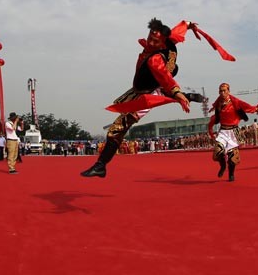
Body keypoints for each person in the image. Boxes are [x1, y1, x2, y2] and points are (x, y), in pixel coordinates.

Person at [81, 18, 229, 178]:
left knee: (116, 129)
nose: (151, 42)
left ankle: (101, 165)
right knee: (119, 126)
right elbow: (179, 29)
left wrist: (177, 93)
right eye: (150, 38)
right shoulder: (169, 40)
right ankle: (187, 95)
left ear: (162, 42)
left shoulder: (155, 59)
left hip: (148, 94)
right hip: (147, 87)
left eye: (155, 41)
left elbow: (165, 77)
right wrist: (189, 25)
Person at [206, 83, 258, 181]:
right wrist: (210, 129)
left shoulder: (235, 102)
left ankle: (231, 173)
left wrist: (256, 108)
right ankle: (223, 165)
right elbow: (215, 116)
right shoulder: (219, 103)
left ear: (229, 91)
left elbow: (247, 107)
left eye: (224, 90)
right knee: (217, 152)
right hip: (223, 131)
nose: (222, 93)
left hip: (234, 131)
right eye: (220, 91)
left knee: (233, 157)